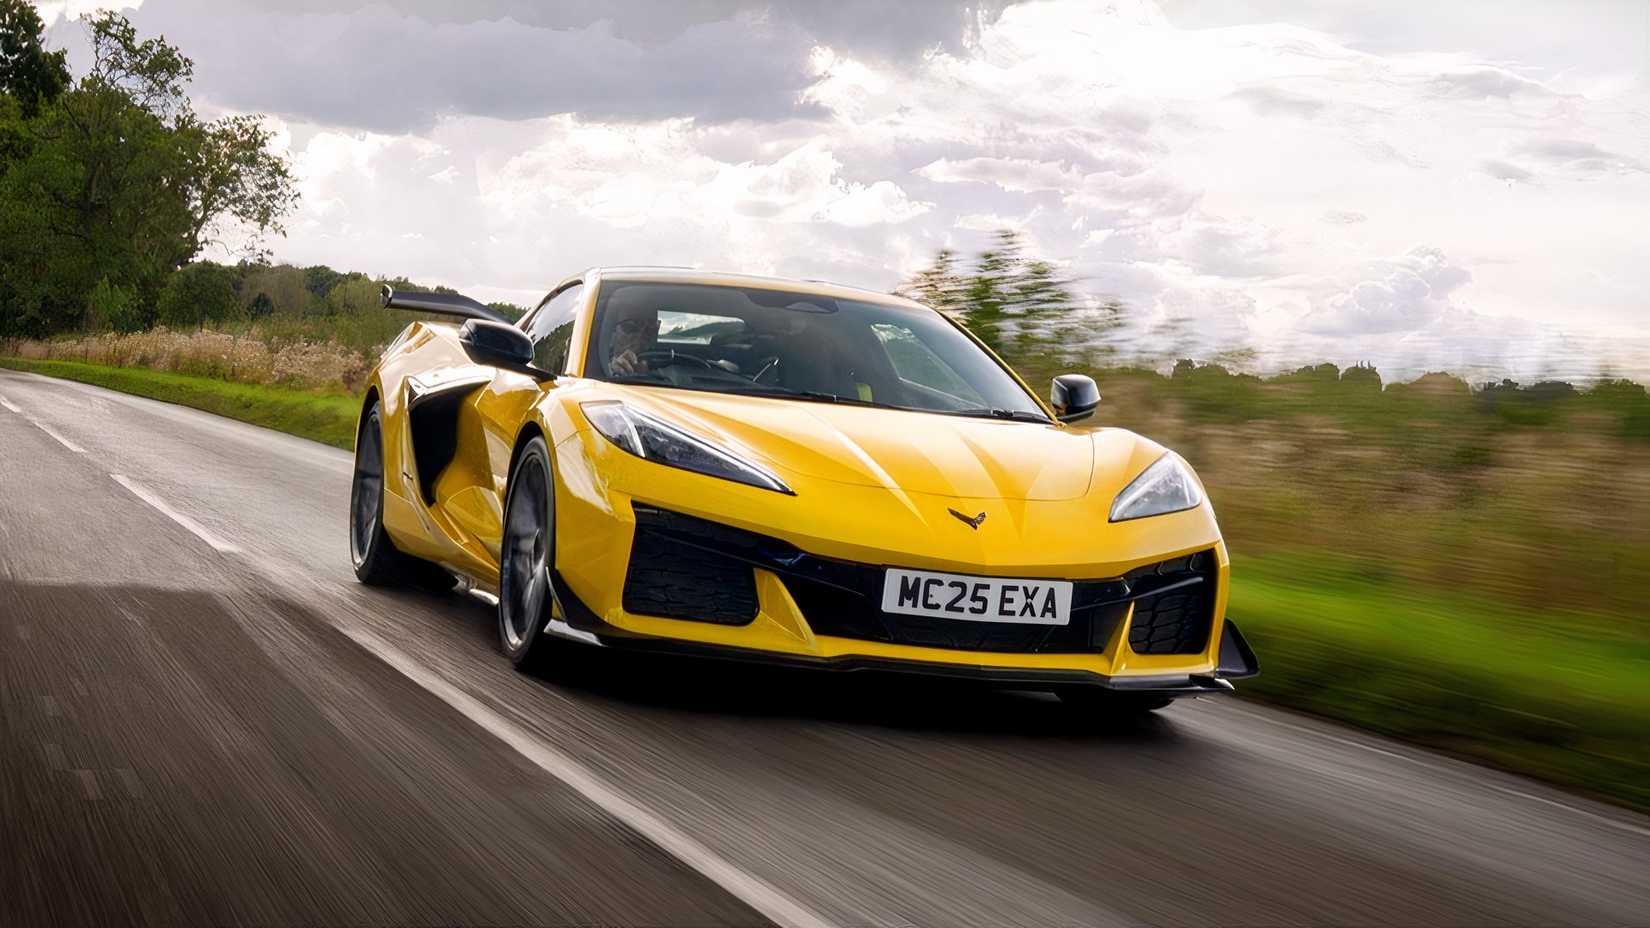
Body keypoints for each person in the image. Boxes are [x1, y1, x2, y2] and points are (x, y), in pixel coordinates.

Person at [607, 305, 660, 375]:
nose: (640, 336)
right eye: (630, 327)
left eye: (651, 328)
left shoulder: (674, 373)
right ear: (613, 333)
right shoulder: (603, 371)